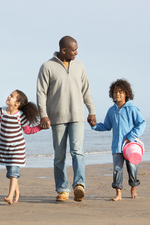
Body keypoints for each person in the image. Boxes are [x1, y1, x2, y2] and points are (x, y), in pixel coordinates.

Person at [37, 35, 96, 202]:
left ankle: (79, 185)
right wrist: (43, 115)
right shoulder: (47, 67)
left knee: (78, 151)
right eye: (74, 50)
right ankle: (63, 189)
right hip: (57, 117)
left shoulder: (80, 66)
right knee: (60, 155)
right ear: (64, 50)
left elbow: (86, 90)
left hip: (77, 116)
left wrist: (91, 111)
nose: (77, 53)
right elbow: (41, 93)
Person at [89, 79, 146, 201]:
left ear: (126, 93)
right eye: (115, 92)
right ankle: (118, 194)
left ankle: (133, 188)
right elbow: (106, 126)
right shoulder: (111, 110)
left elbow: (141, 123)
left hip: (130, 146)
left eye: (120, 92)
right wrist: (94, 125)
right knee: (117, 170)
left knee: (132, 168)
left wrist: (131, 136)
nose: (117, 94)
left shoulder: (132, 109)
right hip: (117, 146)